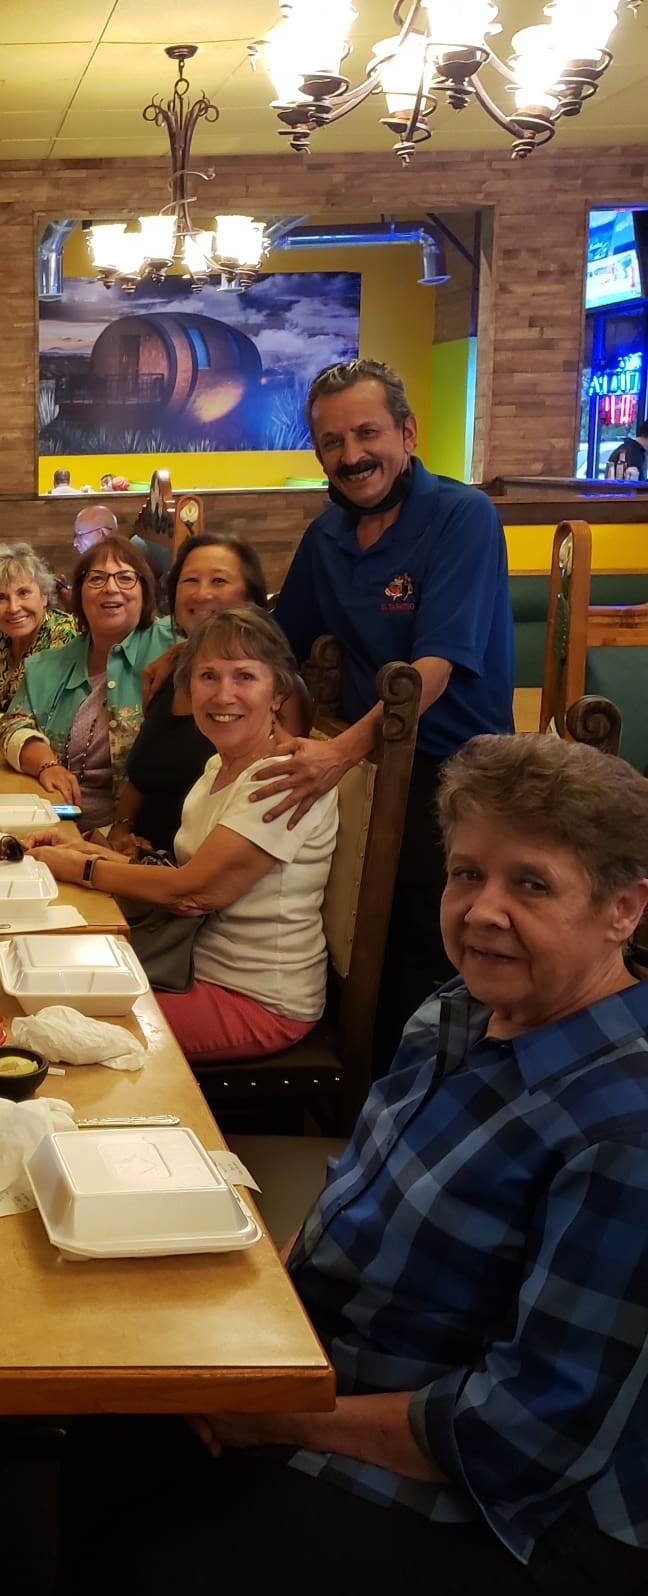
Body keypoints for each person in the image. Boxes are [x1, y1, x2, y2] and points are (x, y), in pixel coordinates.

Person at [49, 734, 648, 1596]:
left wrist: (279, 1414)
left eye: (532, 884)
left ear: (623, 909)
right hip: (368, 1371)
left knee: (154, 1591)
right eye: (467, 873)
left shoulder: (622, 1126)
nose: (482, 910)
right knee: (112, 1429)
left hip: (530, 1513)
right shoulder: (460, 1014)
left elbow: (523, 1439)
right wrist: (237, 1346)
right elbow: (350, 1210)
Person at [263, 356, 514, 1068]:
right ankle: (357, 1081)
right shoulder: (327, 535)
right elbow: (278, 640)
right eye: (332, 442)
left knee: (419, 947)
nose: (351, 455)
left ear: (407, 433)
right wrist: (190, 658)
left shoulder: (463, 516)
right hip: (368, 771)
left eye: (366, 433)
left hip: (458, 775)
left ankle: (418, 1093)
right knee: (343, 937)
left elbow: (433, 670)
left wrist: (339, 754)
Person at [31, 607, 336, 1061]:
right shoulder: (218, 765)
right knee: (40, 980)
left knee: (54, 1023)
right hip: (189, 968)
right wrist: (81, 848)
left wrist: (84, 868)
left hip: (255, 999)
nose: (223, 694)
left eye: (245, 677)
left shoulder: (282, 779)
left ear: (277, 693)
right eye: (208, 676)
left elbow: (191, 892)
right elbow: (187, 873)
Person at [108, 532, 272, 855]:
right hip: (138, 862)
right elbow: (143, 774)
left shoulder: (271, 687)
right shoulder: (172, 672)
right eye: (190, 580)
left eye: (219, 580)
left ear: (251, 597)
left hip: (190, 872)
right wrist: (120, 831)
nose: (202, 593)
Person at [0, 535, 176, 828]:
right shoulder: (47, 665)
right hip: (56, 822)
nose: (111, 588)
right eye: (96, 579)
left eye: (125, 578)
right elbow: (13, 726)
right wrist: (47, 766)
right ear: (78, 594)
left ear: (145, 590)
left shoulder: (175, 643)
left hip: (135, 833)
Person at [0, 542, 78, 712]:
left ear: (44, 597)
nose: (13, 608)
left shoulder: (63, 633)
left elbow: (41, 709)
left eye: (23, 593)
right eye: (0, 598)